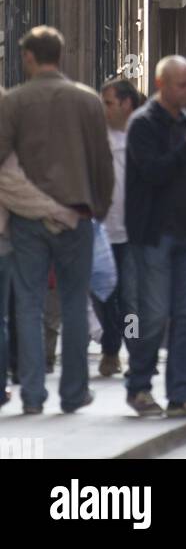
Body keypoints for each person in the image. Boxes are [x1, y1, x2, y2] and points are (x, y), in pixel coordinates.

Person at [0, 26, 114, 416]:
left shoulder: (14, 101)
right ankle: (74, 392)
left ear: (30, 57)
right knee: (72, 302)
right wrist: (99, 207)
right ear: (60, 56)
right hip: (77, 213)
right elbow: (102, 162)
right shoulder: (86, 101)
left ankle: (33, 395)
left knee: (29, 304)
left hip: (28, 218)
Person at [124, 55, 186, 417]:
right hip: (155, 234)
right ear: (162, 84)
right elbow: (152, 173)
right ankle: (139, 386)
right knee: (154, 315)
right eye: (184, 84)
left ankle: (182, 393)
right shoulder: (144, 124)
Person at [94, 77, 145, 378]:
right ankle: (110, 348)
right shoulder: (96, 137)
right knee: (102, 298)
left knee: (130, 301)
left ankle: (134, 352)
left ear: (126, 104)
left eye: (108, 103)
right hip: (100, 231)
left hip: (132, 234)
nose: (104, 109)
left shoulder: (142, 135)